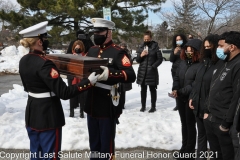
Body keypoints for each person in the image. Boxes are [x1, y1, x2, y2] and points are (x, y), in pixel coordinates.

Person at [18, 21, 99, 160]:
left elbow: (28, 87)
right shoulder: (45, 64)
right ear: (39, 41)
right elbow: (64, 93)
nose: (47, 41)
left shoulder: (24, 60)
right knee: (51, 156)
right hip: (48, 115)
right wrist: (88, 82)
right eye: (45, 38)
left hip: (32, 112)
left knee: (35, 154)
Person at [84, 18, 136, 160]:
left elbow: (131, 74)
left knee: (106, 144)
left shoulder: (118, 52)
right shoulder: (92, 50)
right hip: (92, 103)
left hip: (107, 104)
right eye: (95, 32)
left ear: (109, 33)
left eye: (100, 31)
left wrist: (110, 74)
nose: (96, 34)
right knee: (94, 143)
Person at [203, 31, 240, 160]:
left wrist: (226, 124)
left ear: (232, 47)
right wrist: (206, 111)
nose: (217, 49)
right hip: (211, 119)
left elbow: (237, 98)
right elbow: (213, 87)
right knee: (214, 154)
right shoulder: (223, 62)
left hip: (223, 124)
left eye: (220, 46)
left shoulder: (238, 65)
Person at [188, 34, 219, 160]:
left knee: (213, 140)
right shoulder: (202, 63)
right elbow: (196, 83)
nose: (206, 49)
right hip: (198, 106)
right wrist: (192, 97)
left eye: (209, 47)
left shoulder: (219, 65)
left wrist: (208, 109)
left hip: (211, 110)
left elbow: (216, 90)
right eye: (205, 47)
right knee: (201, 136)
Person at [171, 39, 202, 159]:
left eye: (191, 51)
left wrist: (181, 91)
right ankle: (184, 148)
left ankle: (189, 151)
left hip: (191, 99)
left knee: (190, 124)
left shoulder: (200, 65)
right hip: (180, 97)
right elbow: (177, 77)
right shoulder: (182, 62)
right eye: (187, 50)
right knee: (183, 124)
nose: (189, 53)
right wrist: (175, 89)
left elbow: (194, 84)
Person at [66, 30, 94, 118]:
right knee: (72, 92)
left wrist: (88, 39)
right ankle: (72, 110)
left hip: (82, 74)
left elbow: (92, 50)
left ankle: (82, 110)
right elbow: (67, 55)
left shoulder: (87, 42)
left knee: (83, 93)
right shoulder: (73, 43)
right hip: (72, 74)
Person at [136, 30, 163, 113]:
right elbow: (137, 60)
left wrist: (153, 66)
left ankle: (153, 106)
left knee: (152, 89)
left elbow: (160, 59)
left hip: (152, 72)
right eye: (145, 39)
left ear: (150, 38)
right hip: (142, 72)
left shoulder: (155, 47)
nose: (146, 40)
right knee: (143, 89)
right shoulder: (141, 47)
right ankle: (143, 106)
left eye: (148, 39)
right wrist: (141, 55)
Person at [68, 40, 86, 118]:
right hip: (72, 78)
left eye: (79, 47)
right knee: (72, 94)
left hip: (81, 77)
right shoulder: (70, 55)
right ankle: (71, 110)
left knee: (82, 95)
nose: (77, 48)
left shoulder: (85, 56)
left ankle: (81, 111)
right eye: (76, 47)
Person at [170, 34, 188, 111]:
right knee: (176, 87)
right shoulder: (174, 48)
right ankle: (178, 104)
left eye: (180, 39)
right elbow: (171, 59)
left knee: (184, 87)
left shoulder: (186, 47)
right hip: (175, 70)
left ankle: (185, 101)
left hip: (185, 70)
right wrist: (174, 53)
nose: (178, 41)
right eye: (177, 40)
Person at [119, 43, 133, 109]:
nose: (123, 48)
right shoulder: (117, 53)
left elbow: (129, 63)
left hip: (125, 73)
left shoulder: (128, 54)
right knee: (117, 91)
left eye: (124, 47)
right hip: (118, 73)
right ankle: (118, 104)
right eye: (122, 46)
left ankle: (122, 104)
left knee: (123, 91)